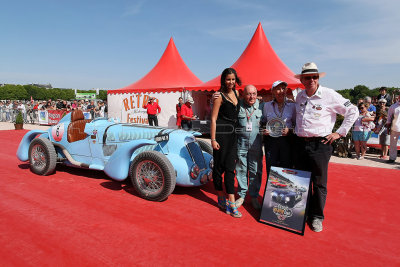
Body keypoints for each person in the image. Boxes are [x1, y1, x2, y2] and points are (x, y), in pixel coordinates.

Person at [293, 62, 358, 232]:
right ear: (302, 79)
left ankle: (317, 217)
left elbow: (353, 110)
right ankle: (302, 213)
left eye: (315, 76)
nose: (312, 80)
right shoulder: (299, 97)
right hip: (300, 144)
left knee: (319, 183)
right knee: (301, 181)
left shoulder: (329, 94)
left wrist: (340, 132)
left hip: (321, 144)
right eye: (308, 77)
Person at [210, 67, 241, 218]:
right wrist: (213, 139)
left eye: (233, 79)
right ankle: (220, 195)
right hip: (222, 133)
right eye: (228, 79)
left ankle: (231, 203)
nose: (231, 82)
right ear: (223, 80)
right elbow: (214, 118)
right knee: (218, 168)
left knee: (230, 168)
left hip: (233, 134)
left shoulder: (237, 93)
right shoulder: (219, 96)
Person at [235, 85, 263, 210]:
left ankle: (254, 196)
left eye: (254, 94)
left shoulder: (262, 106)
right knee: (241, 169)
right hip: (241, 143)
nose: (251, 96)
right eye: (248, 94)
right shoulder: (237, 105)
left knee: (255, 171)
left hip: (256, 144)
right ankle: (241, 196)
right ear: (243, 94)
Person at [262, 80, 296, 175]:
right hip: (271, 141)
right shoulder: (267, 106)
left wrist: (289, 131)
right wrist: (265, 130)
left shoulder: (292, 106)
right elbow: (264, 121)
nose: (281, 91)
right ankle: (271, 190)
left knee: (286, 168)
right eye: (278, 89)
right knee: (272, 169)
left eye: (283, 88)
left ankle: (285, 189)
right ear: (272, 91)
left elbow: (296, 124)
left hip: (287, 141)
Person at [386, 94, 400, 163]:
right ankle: (392, 158)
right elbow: (389, 118)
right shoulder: (393, 106)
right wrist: (388, 128)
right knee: (393, 144)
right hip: (395, 127)